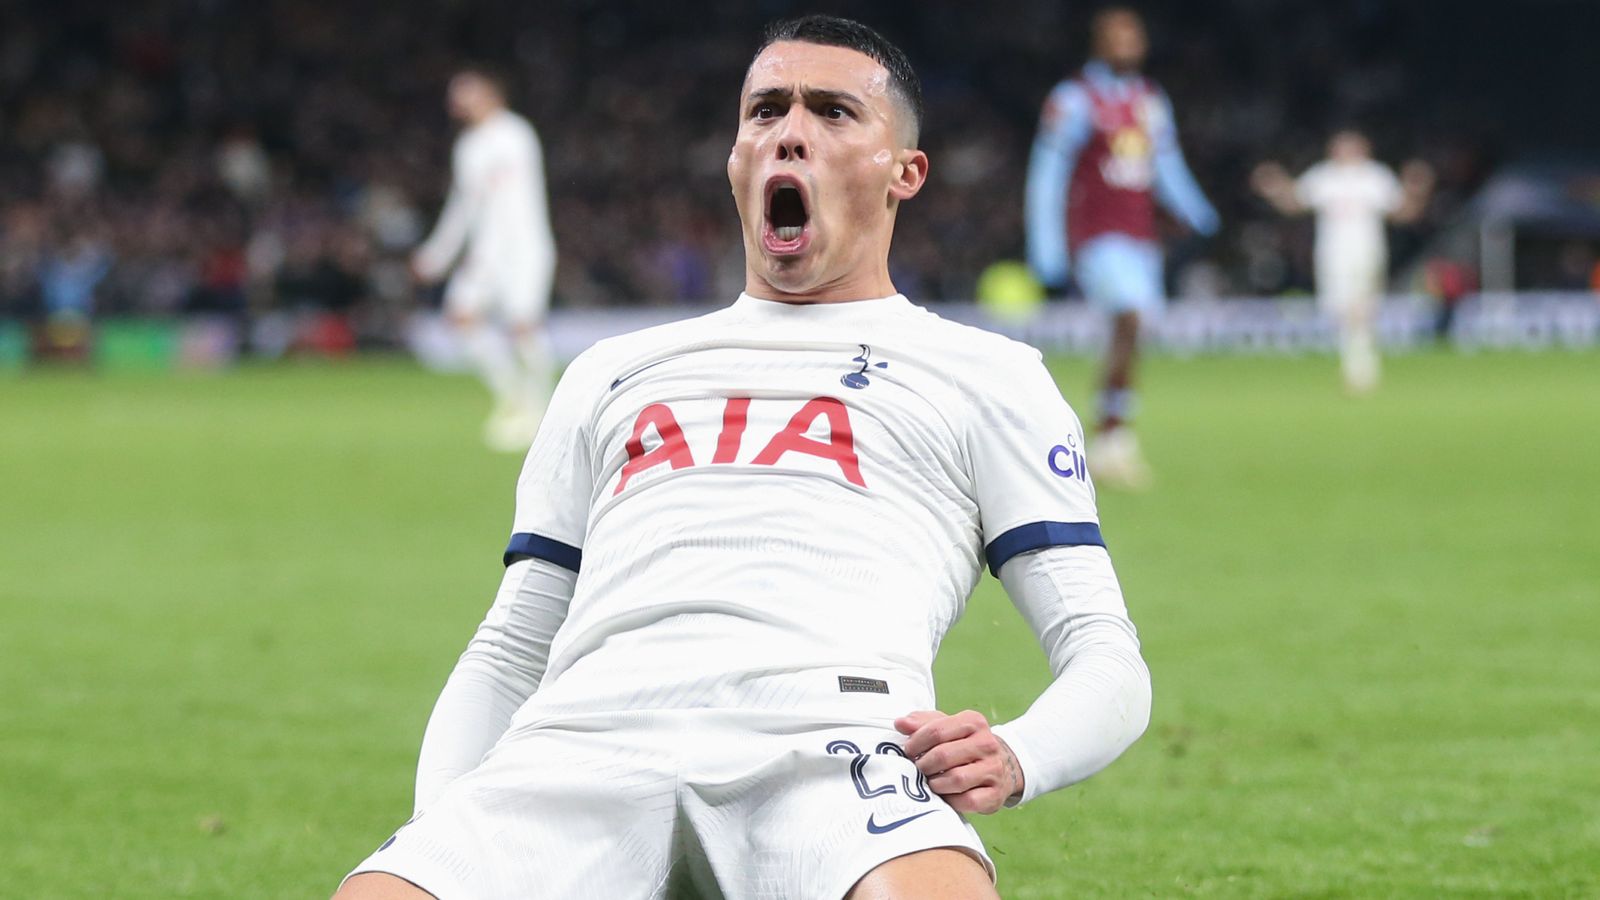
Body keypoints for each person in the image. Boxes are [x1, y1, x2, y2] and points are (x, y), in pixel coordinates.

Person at [337, 16, 1150, 899]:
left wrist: (1020, 753)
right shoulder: (610, 372)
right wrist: (439, 833)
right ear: (736, 160)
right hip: (582, 740)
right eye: (765, 111)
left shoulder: (988, 375)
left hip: (830, 744)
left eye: (835, 112)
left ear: (904, 174)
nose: (789, 131)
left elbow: (1105, 654)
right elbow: (509, 649)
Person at [1024, 6, 1219, 490]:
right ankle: (1113, 440)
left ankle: (1106, 433)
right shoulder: (1074, 99)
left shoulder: (1151, 100)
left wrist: (1199, 214)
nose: (1128, 43)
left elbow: (1166, 164)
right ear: (1099, 42)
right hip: (1097, 236)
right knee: (1129, 320)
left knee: (1130, 335)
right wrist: (1046, 248)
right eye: (1118, 35)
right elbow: (1048, 176)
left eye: (1134, 35)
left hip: (1140, 236)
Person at [412, 68, 558, 451]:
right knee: (462, 318)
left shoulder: (515, 135)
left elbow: (513, 203)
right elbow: (464, 206)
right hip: (487, 254)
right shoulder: (469, 147)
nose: (458, 102)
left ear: (492, 93)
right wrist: (437, 255)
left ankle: (544, 411)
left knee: (524, 326)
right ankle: (515, 398)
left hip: (524, 249)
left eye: (466, 93)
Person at [1251, 130, 1433, 393]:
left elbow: (1403, 212)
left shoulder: (1374, 176)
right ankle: (1356, 360)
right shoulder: (1325, 175)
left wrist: (1417, 190)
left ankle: (1361, 366)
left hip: (1366, 251)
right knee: (1337, 309)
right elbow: (1294, 202)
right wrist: (1275, 186)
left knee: (1361, 307)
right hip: (1331, 255)